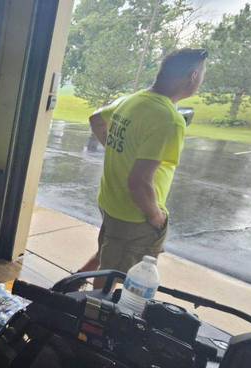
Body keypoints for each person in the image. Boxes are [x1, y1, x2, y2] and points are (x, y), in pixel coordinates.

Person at [78, 49, 208, 285]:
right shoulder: (168, 119)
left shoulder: (134, 99)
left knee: (110, 252)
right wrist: (156, 216)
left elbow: (96, 119)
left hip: (111, 203)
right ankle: (94, 314)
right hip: (134, 215)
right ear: (193, 75)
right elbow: (138, 182)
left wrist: (116, 148)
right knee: (111, 277)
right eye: (202, 76)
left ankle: (70, 284)